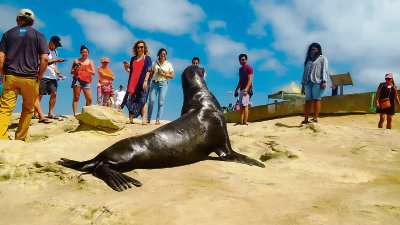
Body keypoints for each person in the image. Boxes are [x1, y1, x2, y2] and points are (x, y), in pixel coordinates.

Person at [0, 9, 49, 141]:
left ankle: (1, 137)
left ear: (18, 18)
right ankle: (21, 138)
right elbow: (44, 58)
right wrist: (40, 75)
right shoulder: (39, 35)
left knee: (5, 108)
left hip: (10, 76)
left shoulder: (7, 34)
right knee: (28, 109)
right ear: (32, 22)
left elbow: (1, 57)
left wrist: (2, 73)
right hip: (31, 78)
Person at [33, 35, 66, 123]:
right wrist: (55, 61)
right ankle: (35, 113)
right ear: (51, 41)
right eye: (55, 44)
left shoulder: (55, 52)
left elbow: (54, 65)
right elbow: (42, 63)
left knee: (54, 94)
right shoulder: (43, 50)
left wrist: (58, 73)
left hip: (52, 76)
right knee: (39, 95)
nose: (56, 46)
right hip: (43, 75)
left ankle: (50, 113)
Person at [121, 40, 152, 125]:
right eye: (138, 47)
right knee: (131, 99)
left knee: (143, 99)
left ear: (144, 48)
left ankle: (144, 119)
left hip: (142, 81)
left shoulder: (147, 58)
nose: (140, 49)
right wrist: (127, 68)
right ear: (136, 48)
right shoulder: (133, 59)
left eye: (141, 47)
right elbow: (132, 71)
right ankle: (131, 118)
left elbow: (148, 70)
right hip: (133, 81)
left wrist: (145, 81)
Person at [301, 42, 329, 125]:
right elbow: (305, 72)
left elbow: (325, 70)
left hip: (317, 81)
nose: (313, 51)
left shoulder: (322, 58)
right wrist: (303, 85)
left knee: (316, 99)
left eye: (315, 49)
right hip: (307, 82)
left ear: (318, 50)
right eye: (312, 49)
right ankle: (306, 119)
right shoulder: (308, 60)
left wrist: (324, 81)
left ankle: (315, 118)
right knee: (308, 100)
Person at [147, 48, 174, 125]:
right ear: (159, 54)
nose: (163, 55)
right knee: (151, 101)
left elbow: (172, 76)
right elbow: (150, 72)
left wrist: (163, 74)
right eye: (162, 53)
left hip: (163, 84)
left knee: (161, 102)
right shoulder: (154, 63)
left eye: (164, 54)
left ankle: (158, 119)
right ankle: (148, 118)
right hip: (154, 83)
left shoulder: (169, 64)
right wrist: (146, 81)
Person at [70, 45, 95, 115]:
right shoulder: (76, 60)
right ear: (81, 53)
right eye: (83, 52)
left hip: (86, 81)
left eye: (86, 52)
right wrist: (76, 68)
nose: (85, 54)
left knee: (89, 99)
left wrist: (88, 70)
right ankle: (75, 113)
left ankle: (86, 113)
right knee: (76, 98)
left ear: (88, 53)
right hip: (77, 80)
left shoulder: (90, 62)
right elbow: (71, 72)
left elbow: (93, 73)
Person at [234, 54, 253, 125]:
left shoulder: (249, 68)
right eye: (240, 59)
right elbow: (240, 80)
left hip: (247, 89)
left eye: (243, 59)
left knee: (245, 105)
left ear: (246, 59)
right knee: (240, 106)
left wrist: (246, 89)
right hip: (241, 89)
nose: (242, 61)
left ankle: (245, 121)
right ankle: (240, 121)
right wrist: (236, 90)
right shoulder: (240, 69)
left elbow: (250, 79)